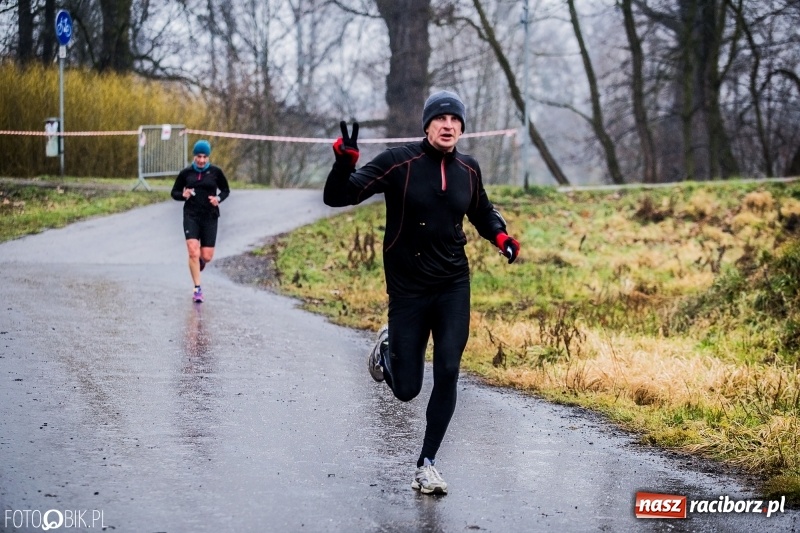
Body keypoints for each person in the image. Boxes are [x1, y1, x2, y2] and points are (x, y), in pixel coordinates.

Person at [323, 90, 520, 495]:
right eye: (440, 119)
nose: (448, 125)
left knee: (448, 369)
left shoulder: (469, 168)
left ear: (462, 128)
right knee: (408, 389)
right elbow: (338, 196)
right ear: (427, 125)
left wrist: (501, 236)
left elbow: (481, 211)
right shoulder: (399, 163)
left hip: (452, 283)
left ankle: (427, 464)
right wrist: (344, 164)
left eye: (455, 120)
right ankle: (386, 348)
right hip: (409, 288)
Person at [171, 139, 230, 303]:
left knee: (207, 255)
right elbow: (174, 192)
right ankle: (197, 288)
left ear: (208, 157)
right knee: (192, 251)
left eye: (205, 156)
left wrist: (218, 198)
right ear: (194, 156)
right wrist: (183, 195)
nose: (202, 160)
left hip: (210, 216)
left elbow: (226, 190)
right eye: (199, 156)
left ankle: (201, 261)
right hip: (191, 215)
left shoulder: (215, 172)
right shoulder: (186, 173)